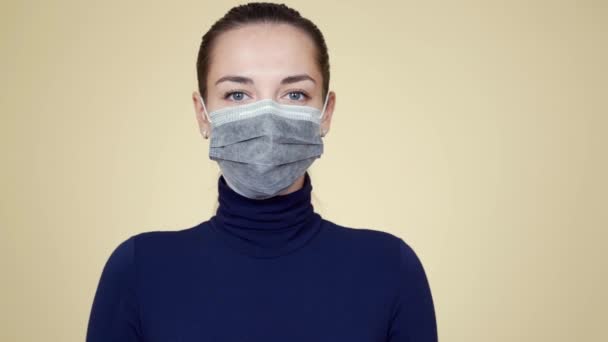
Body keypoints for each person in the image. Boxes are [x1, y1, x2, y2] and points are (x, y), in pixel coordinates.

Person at [85, 2, 438, 341]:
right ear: (202, 114)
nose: (266, 116)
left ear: (325, 113)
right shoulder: (138, 271)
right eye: (238, 95)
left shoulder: (390, 270)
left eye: (295, 94)